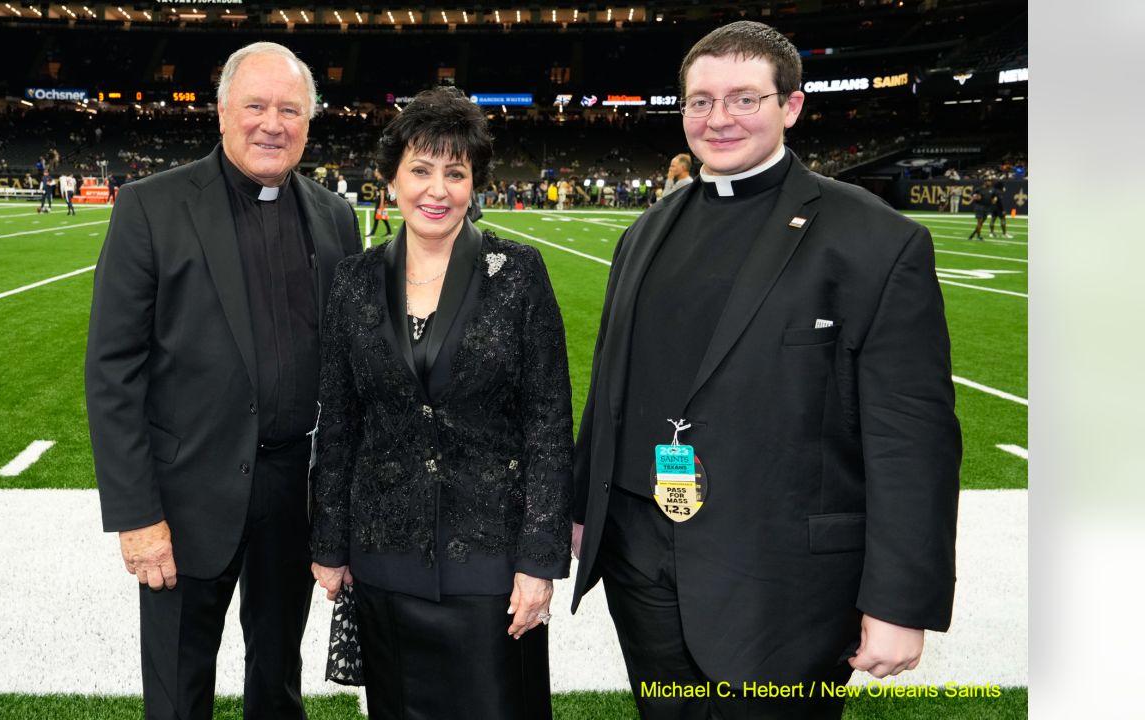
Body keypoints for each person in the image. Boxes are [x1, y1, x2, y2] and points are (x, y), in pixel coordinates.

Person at [569, 21, 960, 720]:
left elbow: (913, 434)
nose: (718, 118)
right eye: (700, 101)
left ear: (792, 106)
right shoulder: (645, 231)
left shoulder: (875, 239)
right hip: (643, 561)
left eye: (744, 98)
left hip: (781, 578)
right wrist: (580, 510)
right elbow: (612, 385)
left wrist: (900, 601)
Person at [84, 41, 361, 720]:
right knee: (179, 691)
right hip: (183, 500)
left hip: (292, 495)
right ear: (221, 113)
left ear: (309, 120)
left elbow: (350, 365)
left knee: (278, 677)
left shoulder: (334, 216)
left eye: (290, 109)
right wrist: (136, 515)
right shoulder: (152, 207)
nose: (273, 123)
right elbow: (112, 368)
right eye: (256, 106)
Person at [309, 86, 573, 720]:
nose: (437, 189)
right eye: (421, 170)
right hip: (383, 555)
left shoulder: (519, 271)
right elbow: (340, 420)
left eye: (455, 173)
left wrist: (539, 560)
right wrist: (328, 543)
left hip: (490, 562)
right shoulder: (354, 280)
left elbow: (548, 422)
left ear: (474, 182)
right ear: (391, 180)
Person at [367, 168, 392, 238]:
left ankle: (372, 233)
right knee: (382, 218)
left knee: (376, 217)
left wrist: (381, 204)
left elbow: (382, 193)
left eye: (375, 172)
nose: (374, 173)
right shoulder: (379, 181)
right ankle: (389, 232)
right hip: (380, 202)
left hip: (380, 203)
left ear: (379, 172)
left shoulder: (381, 181)